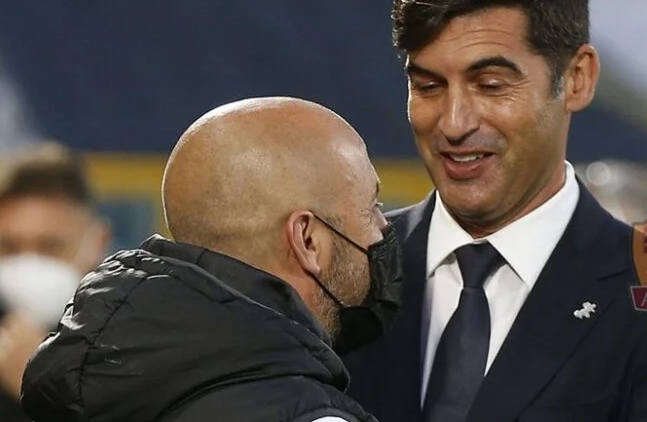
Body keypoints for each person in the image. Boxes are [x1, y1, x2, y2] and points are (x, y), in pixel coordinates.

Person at [343, 0, 647, 421]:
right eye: (428, 87)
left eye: (490, 84)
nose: (454, 123)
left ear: (577, 79)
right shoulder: (344, 276)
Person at [20, 97, 402, 422]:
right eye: (370, 208)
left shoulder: (88, 382)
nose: (383, 227)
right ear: (307, 239)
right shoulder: (307, 414)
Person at [0, 142, 110, 422]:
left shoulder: (132, 338)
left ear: (97, 242)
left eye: (50, 247)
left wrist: (43, 389)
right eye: (10, 246)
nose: (28, 262)